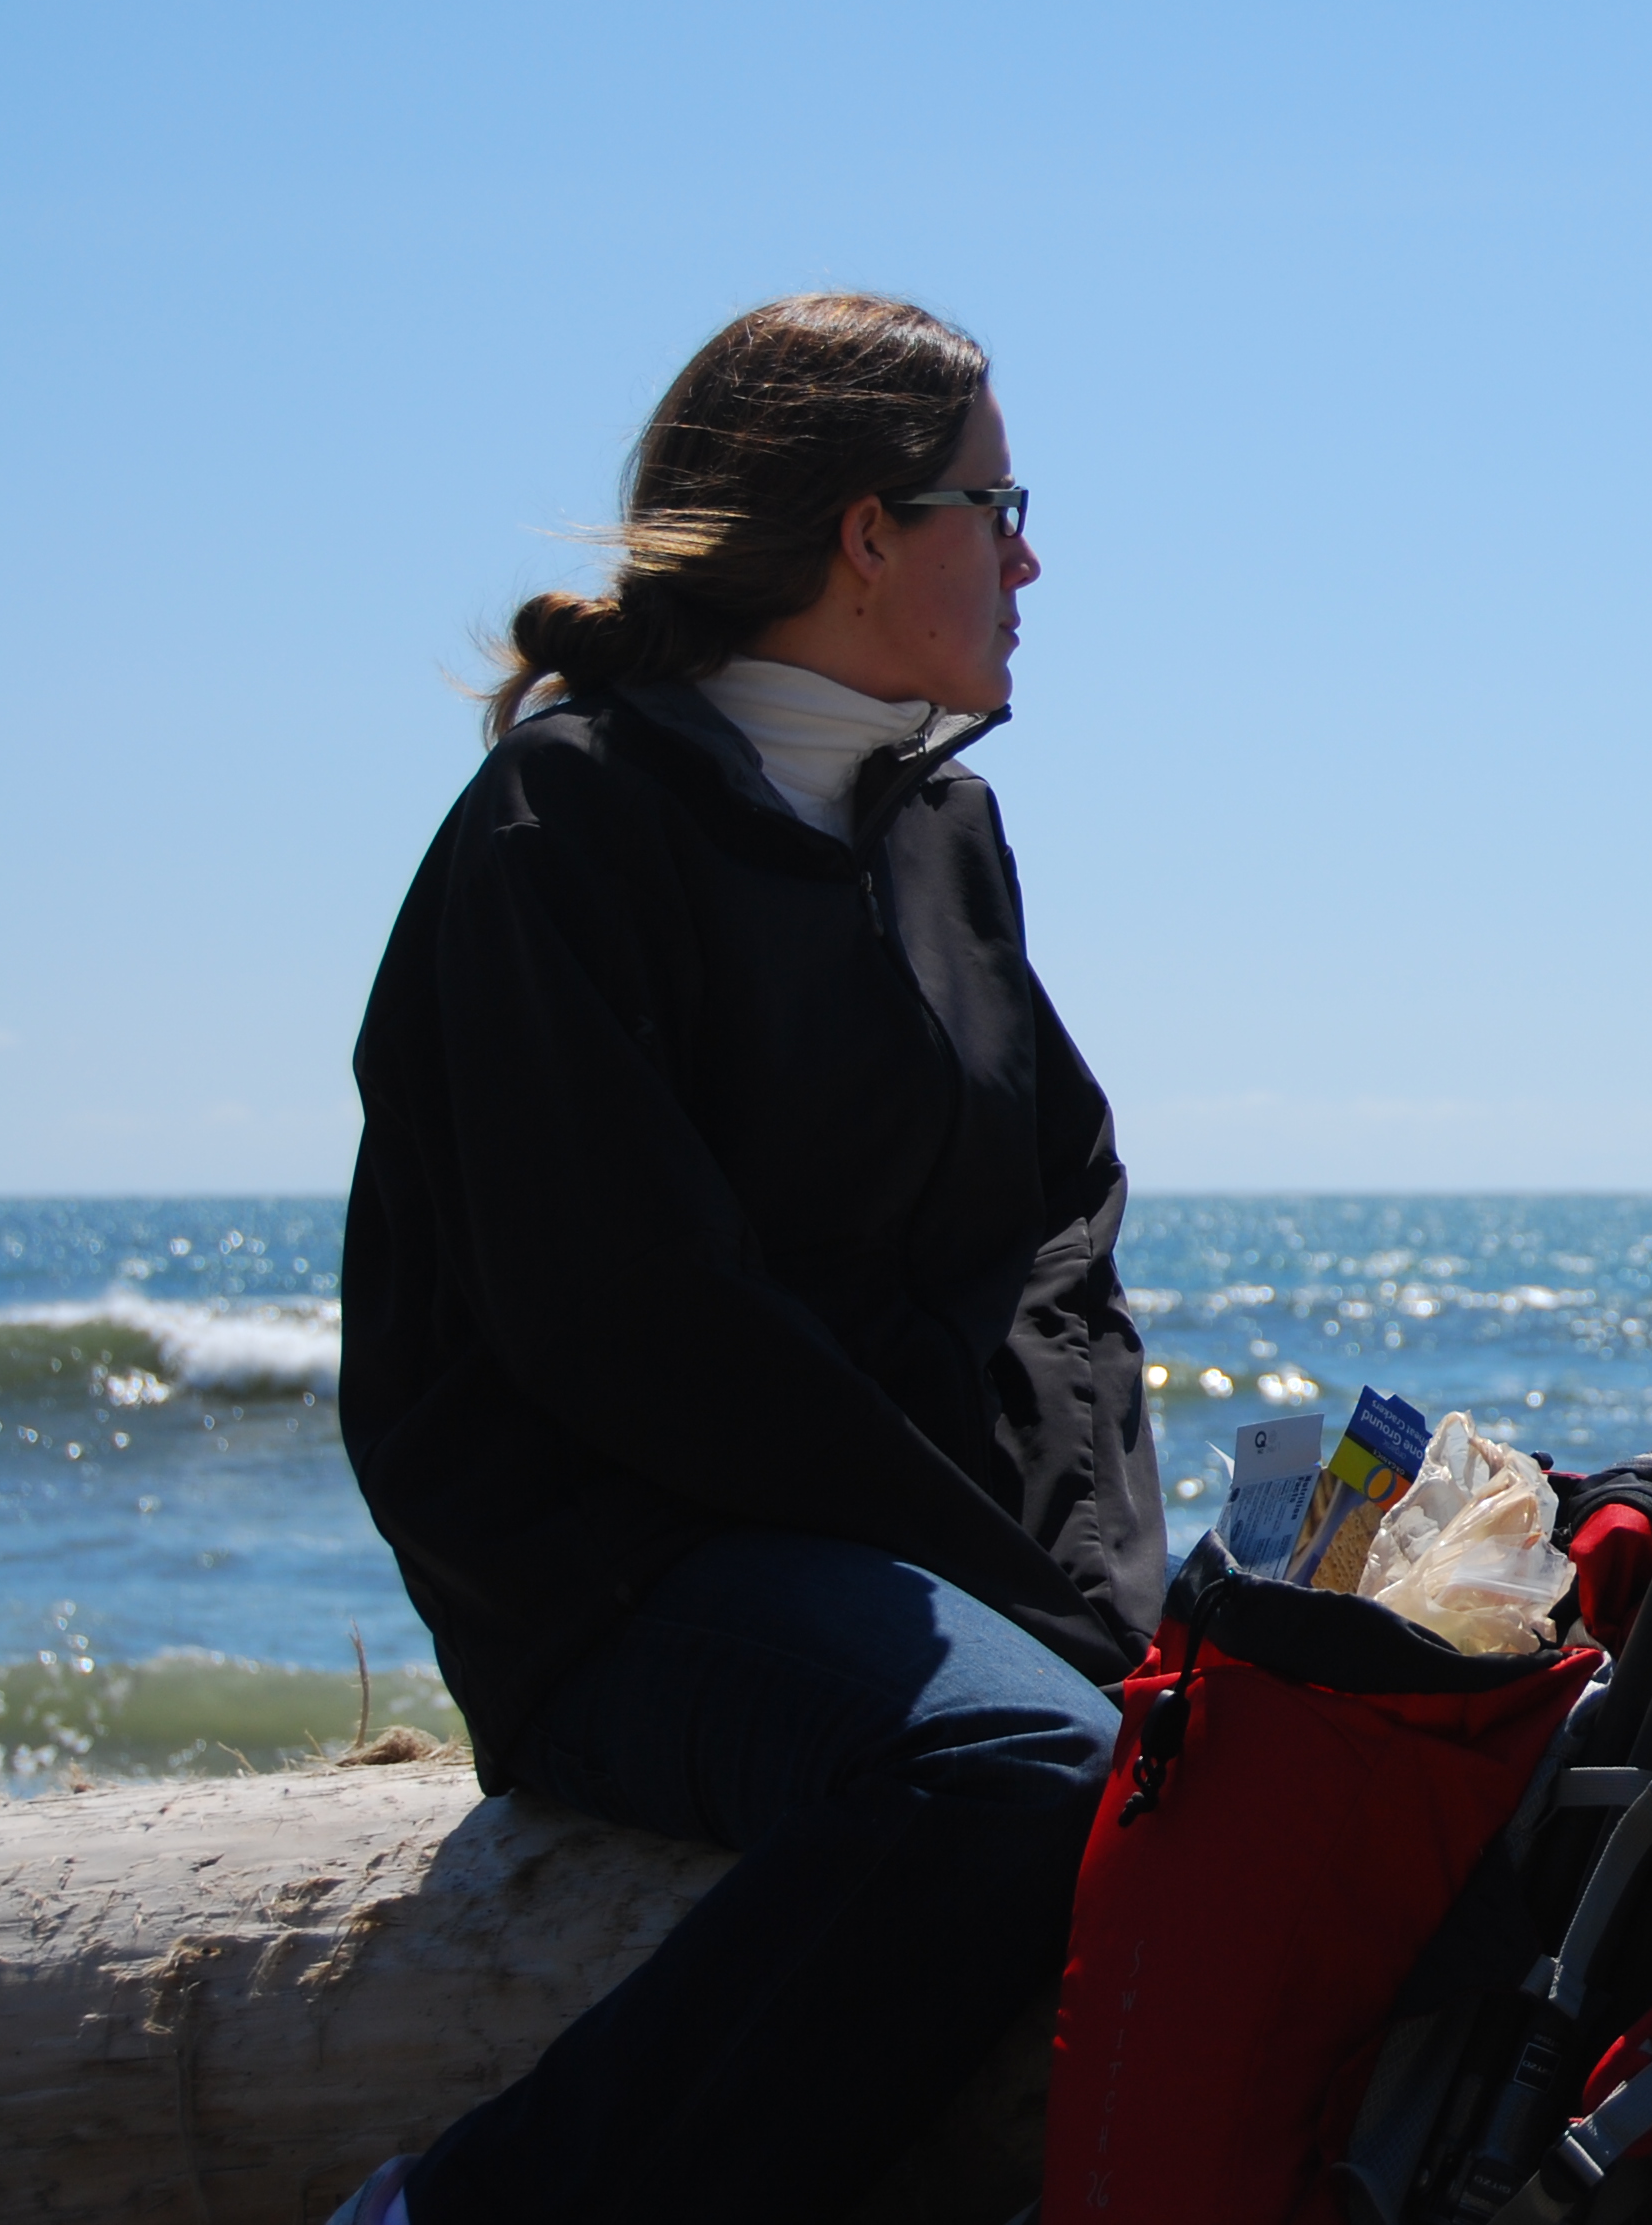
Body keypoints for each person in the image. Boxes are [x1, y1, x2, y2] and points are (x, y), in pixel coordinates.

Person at [332, 294, 1164, 2225]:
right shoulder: (566, 821)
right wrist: (1016, 1609)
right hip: (614, 1575)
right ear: (868, 531)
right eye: (997, 506)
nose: (1030, 560)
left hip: (917, 1566)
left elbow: (1054, 1235)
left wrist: (1098, 1584)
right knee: (1023, 1769)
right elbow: (636, 1325)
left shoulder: (946, 835)